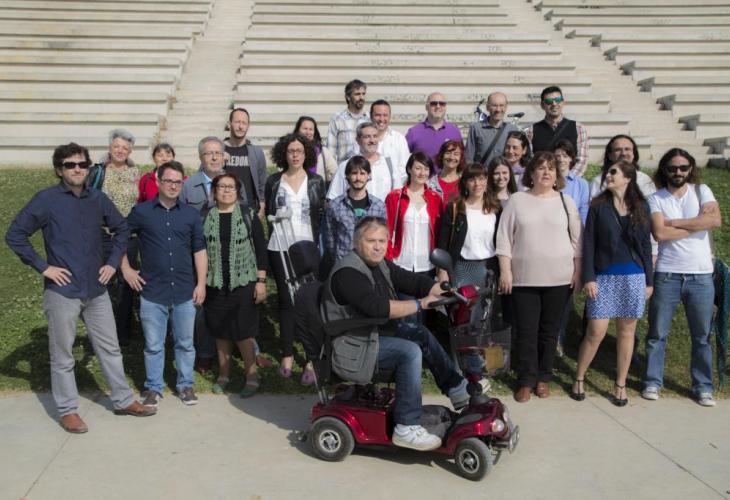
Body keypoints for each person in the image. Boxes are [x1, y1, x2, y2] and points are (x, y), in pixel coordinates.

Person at [5, 142, 156, 433]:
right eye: (70, 165)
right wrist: (44, 267)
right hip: (63, 291)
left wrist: (112, 263)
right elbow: (15, 235)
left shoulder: (97, 199)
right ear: (59, 170)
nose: (77, 169)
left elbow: (122, 228)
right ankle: (68, 410)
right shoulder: (46, 200)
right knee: (63, 355)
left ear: (89, 168)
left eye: (82, 164)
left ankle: (123, 400)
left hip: (96, 290)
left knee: (110, 348)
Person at [322, 216, 469, 451]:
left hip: (369, 337)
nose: (378, 247)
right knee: (408, 352)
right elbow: (377, 308)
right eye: (371, 241)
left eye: (382, 241)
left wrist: (443, 290)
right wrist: (421, 304)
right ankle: (406, 427)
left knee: (418, 333)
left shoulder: (380, 264)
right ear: (357, 242)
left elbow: (409, 280)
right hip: (351, 346)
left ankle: (459, 391)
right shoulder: (347, 272)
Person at [496, 152, 582, 403]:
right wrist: (505, 270)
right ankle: (525, 380)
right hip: (524, 279)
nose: (546, 172)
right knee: (526, 331)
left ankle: (543, 377)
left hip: (559, 279)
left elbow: (577, 242)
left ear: (557, 175)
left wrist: (577, 272)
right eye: (541, 168)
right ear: (531, 173)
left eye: (551, 168)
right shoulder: (517, 200)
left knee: (549, 331)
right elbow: (504, 239)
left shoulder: (566, 201)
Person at [122, 161, 207, 408]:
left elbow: (199, 250)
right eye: (168, 181)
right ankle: (153, 387)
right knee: (153, 346)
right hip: (152, 291)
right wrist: (126, 269)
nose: (173, 186)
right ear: (158, 182)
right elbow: (120, 239)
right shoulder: (141, 212)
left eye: (178, 182)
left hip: (184, 290)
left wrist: (201, 284)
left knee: (185, 344)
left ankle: (185, 385)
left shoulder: (190, 214)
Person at [643, 149, 721, 407]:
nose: (678, 172)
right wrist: (697, 223)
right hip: (667, 273)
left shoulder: (702, 191)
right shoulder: (655, 198)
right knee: (657, 333)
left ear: (691, 168)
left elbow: (715, 220)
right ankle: (652, 381)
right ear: (664, 170)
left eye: (683, 167)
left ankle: (703, 387)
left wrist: (675, 222)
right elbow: (660, 234)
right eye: (672, 168)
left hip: (701, 275)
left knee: (702, 336)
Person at [572, 160, 653, 406]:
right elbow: (589, 244)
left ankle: (620, 384)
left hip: (634, 276)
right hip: (604, 277)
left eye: (613, 172)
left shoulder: (641, 206)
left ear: (628, 177)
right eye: (608, 172)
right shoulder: (598, 206)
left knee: (627, 332)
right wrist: (589, 277)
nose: (608, 175)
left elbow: (646, 246)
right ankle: (579, 377)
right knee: (595, 332)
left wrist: (649, 280)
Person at [265, 133, 326, 382]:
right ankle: (287, 355)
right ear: (284, 154)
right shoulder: (273, 181)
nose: (295, 155)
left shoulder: (316, 181)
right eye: (290, 151)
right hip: (280, 246)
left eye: (299, 151)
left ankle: (311, 359)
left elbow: (319, 215)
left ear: (306, 153)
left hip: (307, 245)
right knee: (286, 301)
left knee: (309, 301)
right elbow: (268, 215)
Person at [203, 173, 268, 398]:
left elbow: (261, 249)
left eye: (231, 187)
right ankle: (224, 376)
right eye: (221, 186)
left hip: (244, 282)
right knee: (220, 332)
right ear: (214, 191)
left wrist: (261, 281)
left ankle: (252, 377)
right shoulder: (206, 216)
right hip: (215, 283)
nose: (226, 190)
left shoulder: (248, 215)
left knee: (243, 332)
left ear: (238, 191)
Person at [86, 128, 140, 346]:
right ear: (110, 147)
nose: (120, 151)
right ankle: (103, 331)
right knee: (105, 281)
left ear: (130, 151)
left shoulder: (134, 172)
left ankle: (123, 330)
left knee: (128, 282)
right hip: (104, 235)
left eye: (125, 148)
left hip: (128, 235)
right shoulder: (99, 171)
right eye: (116, 146)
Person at [180, 136, 225, 373]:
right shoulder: (188, 186)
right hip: (198, 254)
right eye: (209, 153)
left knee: (232, 301)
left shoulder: (233, 182)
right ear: (200, 157)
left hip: (227, 253)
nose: (214, 157)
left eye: (218, 153)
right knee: (201, 304)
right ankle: (205, 353)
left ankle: (247, 350)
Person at [553, 139, 590, 357]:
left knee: (565, 295)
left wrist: (579, 243)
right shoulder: (548, 180)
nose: (561, 159)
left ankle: (559, 337)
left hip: (571, 244)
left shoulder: (581, 184)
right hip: (550, 243)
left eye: (565, 156)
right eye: (557, 156)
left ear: (572, 159)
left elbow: (583, 212)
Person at [438, 163, 501, 288]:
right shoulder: (455, 208)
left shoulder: (496, 209)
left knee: (487, 301)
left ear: (486, 181)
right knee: (463, 301)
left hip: (489, 268)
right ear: (465, 183)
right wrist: (442, 271)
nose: (477, 184)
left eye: (481, 179)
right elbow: (443, 243)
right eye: (472, 180)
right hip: (462, 268)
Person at [385, 152, 443, 275]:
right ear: (409, 169)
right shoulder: (395, 197)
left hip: (428, 265)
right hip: (400, 263)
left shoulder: (436, 199)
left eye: (426, 169)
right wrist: (389, 258)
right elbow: (386, 231)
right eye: (418, 168)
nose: (422, 173)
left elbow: (440, 234)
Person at [325, 155, 386, 262]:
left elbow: (383, 237)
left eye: (362, 173)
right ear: (347, 176)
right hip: (343, 263)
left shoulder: (379, 206)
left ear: (369, 176)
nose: (358, 178)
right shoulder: (335, 205)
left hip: (370, 264)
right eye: (354, 173)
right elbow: (330, 240)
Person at [327, 122, 404, 202]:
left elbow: (398, 196)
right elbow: (333, 198)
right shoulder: (345, 165)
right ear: (358, 140)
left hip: (385, 210)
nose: (372, 140)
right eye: (367, 137)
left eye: (375, 136)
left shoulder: (390, 165)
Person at [525, 86, 589, 176]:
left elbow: (582, 160)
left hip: (569, 181)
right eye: (549, 101)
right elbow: (530, 160)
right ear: (542, 105)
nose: (554, 104)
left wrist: (568, 180)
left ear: (563, 102)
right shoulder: (531, 131)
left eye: (558, 100)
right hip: (543, 180)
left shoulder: (578, 128)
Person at [224, 108, 268, 215]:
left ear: (248, 126)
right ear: (229, 124)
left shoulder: (256, 152)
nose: (240, 126)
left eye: (244, 123)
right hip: (223, 209)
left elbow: (262, 183)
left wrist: (262, 205)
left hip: (249, 211)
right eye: (237, 122)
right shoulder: (218, 150)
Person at [589, 134, 656, 199]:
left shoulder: (644, 180)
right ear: (610, 155)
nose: (623, 153)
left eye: (627, 149)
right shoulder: (598, 182)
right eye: (618, 150)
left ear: (633, 154)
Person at [465, 92, 519, 166]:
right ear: (487, 107)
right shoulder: (476, 128)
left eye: (501, 105)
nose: (498, 109)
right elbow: (468, 158)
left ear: (506, 107)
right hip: (483, 173)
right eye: (494, 105)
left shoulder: (512, 129)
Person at [405, 91, 463, 160]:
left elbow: (461, 158)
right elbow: (403, 158)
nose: (438, 106)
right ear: (426, 107)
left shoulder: (455, 132)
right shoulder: (413, 132)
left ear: (445, 107)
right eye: (433, 103)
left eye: (442, 104)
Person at [327, 79, 369, 163]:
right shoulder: (337, 119)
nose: (361, 97)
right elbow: (331, 151)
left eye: (363, 94)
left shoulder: (369, 118)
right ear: (348, 97)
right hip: (344, 168)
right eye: (357, 94)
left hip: (366, 168)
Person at [369, 99, 410, 171]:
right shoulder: (363, 138)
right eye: (378, 115)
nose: (381, 119)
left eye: (385, 115)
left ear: (390, 117)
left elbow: (404, 166)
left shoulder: (399, 139)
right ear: (371, 116)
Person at [293, 115, 337, 182]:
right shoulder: (291, 149)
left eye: (311, 129)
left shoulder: (322, 151)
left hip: (317, 187)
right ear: (298, 130)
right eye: (305, 129)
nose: (308, 132)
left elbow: (335, 172)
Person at [428, 140, 465, 204]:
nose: (451, 157)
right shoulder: (430, 184)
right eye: (448, 153)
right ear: (441, 156)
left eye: (456, 154)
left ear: (461, 158)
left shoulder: (465, 183)